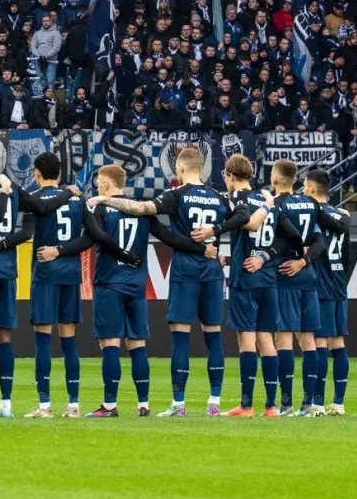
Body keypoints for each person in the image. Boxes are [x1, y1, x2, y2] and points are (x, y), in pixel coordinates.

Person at [90, 147, 252, 416]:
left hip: (185, 272)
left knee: (181, 338)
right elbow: (244, 215)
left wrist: (105, 201)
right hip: (212, 272)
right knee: (213, 336)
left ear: (180, 169)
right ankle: (214, 402)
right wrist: (215, 230)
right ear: (202, 168)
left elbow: (142, 208)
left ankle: (179, 404)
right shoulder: (219, 197)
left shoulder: (177, 195)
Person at [0, 147, 75, 417]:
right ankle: (7, 405)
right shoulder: (10, 187)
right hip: (7, 270)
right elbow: (43, 206)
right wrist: (69, 192)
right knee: (4, 334)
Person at [20, 154, 94, 417]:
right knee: (69, 341)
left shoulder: (35, 200)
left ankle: (44, 406)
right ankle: (73, 405)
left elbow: (26, 233)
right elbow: (91, 238)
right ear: (60, 173)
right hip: (71, 275)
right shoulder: (77, 200)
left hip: (45, 275)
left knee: (42, 340)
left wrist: (52, 251)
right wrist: (63, 251)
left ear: (37, 173)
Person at [84, 164, 161, 416]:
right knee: (137, 344)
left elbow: (97, 238)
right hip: (137, 284)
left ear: (106, 184)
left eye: (98, 183)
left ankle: (109, 405)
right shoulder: (140, 209)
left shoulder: (101, 207)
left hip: (109, 282)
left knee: (110, 344)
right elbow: (167, 235)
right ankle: (144, 404)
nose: (97, 187)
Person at [219, 155, 280, 417]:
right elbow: (288, 238)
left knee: (246, 340)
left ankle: (246, 405)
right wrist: (266, 256)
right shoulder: (265, 198)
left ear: (231, 175)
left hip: (245, 278)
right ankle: (272, 406)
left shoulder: (238, 200)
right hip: (268, 279)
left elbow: (250, 224)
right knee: (266, 340)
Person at [267, 159, 326, 416]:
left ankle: (287, 403)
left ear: (277, 179)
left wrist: (294, 261)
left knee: (284, 339)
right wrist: (304, 262)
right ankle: (311, 403)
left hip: (285, 276)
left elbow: (281, 239)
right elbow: (318, 241)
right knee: (308, 340)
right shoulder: (310, 203)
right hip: (308, 277)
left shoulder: (276, 205)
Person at [304, 170, 351, 415]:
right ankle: (339, 403)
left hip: (320, 283)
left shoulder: (312, 213)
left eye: (304, 187)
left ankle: (318, 404)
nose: (302, 191)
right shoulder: (341, 214)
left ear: (312, 188)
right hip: (339, 282)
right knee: (338, 342)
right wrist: (342, 280)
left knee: (320, 342)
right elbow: (347, 256)